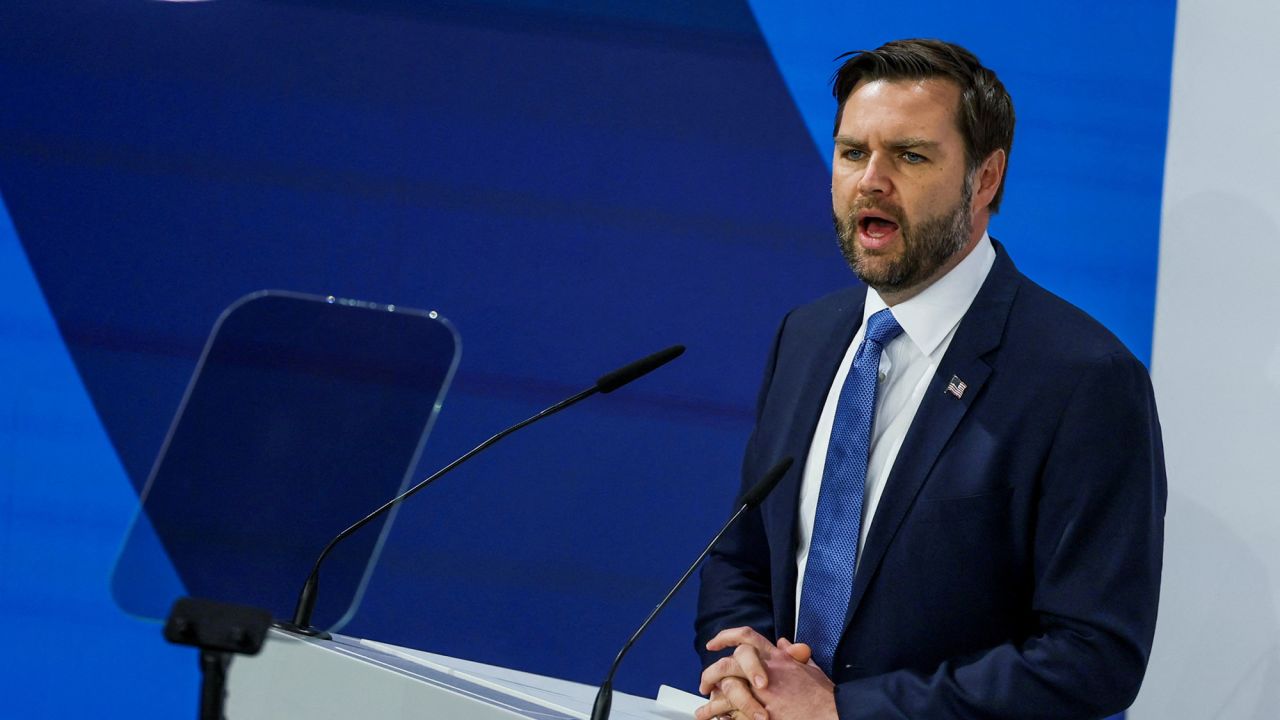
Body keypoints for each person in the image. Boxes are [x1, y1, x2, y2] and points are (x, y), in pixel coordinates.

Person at [693, 38, 1166, 720]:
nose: (870, 181)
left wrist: (847, 712)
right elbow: (742, 555)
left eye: (910, 156)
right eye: (853, 152)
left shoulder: (1083, 379)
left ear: (986, 178)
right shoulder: (808, 336)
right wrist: (753, 676)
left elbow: (1092, 655)